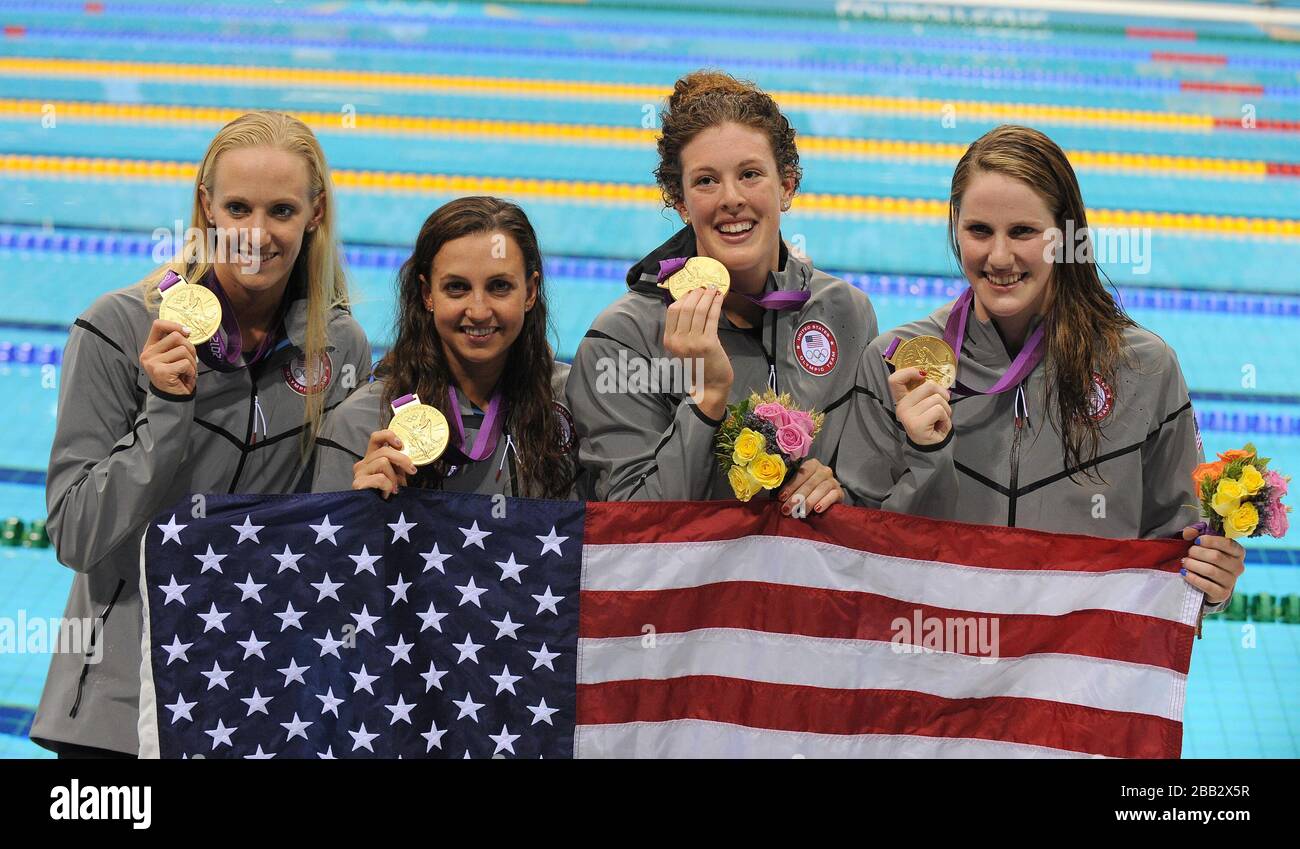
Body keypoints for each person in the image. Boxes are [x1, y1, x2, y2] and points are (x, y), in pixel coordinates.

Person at [31, 111, 372, 757]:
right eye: (238, 206)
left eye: (281, 210)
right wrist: (165, 406)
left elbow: (329, 522)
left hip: (255, 699)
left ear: (315, 213)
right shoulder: (118, 327)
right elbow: (75, 533)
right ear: (206, 206)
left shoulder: (338, 346)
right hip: (117, 705)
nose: (256, 233)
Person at [839, 124, 1242, 609]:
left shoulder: (1145, 369)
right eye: (979, 231)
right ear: (956, 231)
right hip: (937, 665)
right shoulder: (894, 362)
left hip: (1071, 676)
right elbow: (854, 558)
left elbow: (1176, 548)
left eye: (1024, 232)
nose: (1000, 256)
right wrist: (926, 455)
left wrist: (1211, 583)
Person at [567, 71, 878, 512]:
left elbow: (875, 500)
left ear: (786, 186)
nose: (731, 198)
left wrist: (839, 490)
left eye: (750, 174)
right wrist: (706, 399)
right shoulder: (623, 340)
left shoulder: (847, 314)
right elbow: (631, 525)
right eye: (706, 181)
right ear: (680, 201)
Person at [312, 196, 578, 499]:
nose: (478, 311)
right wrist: (359, 507)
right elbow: (326, 543)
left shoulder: (575, 405)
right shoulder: (362, 421)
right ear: (427, 295)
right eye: (457, 287)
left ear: (530, 292)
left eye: (499, 286)